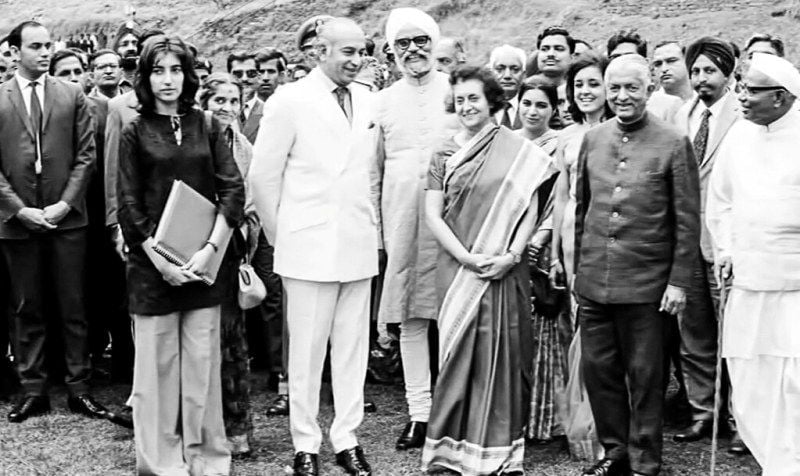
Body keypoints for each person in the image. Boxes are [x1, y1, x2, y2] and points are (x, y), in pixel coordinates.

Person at [249, 17, 378, 476]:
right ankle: (305, 442)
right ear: (318, 52)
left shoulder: (367, 99)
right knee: (305, 352)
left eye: (362, 51)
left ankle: (347, 438)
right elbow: (263, 177)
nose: (357, 60)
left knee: (351, 350)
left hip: (359, 242)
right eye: (348, 51)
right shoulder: (289, 100)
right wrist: (284, 238)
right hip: (306, 246)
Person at [117, 35, 244, 475]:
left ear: (188, 74)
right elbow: (128, 204)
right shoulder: (134, 130)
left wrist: (211, 251)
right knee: (157, 375)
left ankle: (207, 459)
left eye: (175, 70)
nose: (167, 80)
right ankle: (163, 464)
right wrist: (162, 262)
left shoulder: (207, 124)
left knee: (203, 372)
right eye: (158, 70)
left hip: (206, 266)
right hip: (153, 270)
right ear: (145, 77)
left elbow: (232, 189)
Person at [421, 65, 557, 475]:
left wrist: (512, 257)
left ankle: (497, 453)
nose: (466, 106)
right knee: (457, 354)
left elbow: (529, 207)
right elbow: (433, 214)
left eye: (474, 98)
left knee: (500, 353)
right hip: (458, 268)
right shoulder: (443, 153)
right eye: (459, 99)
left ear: (493, 101)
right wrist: (464, 257)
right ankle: (448, 451)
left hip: (504, 268)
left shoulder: (519, 153)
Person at [575, 54, 700, 476]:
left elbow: (687, 219)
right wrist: (579, 272)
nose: (622, 96)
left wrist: (679, 282)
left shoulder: (672, 142)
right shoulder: (593, 139)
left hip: (648, 283)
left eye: (632, 88)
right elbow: (584, 211)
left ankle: (645, 460)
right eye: (615, 89)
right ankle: (614, 453)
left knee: (646, 376)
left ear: (649, 90)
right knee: (600, 373)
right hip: (594, 282)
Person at [0, 21, 108, 423]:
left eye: (48, 46)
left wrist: (65, 204)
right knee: (27, 305)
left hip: (68, 220)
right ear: (14, 52)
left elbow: (87, 154)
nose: (44, 53)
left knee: (72, 304)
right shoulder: (1, 97)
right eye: (35, 46)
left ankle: (79, 387)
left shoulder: (71, 94)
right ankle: (33, 389)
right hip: (17, 221)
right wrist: (18, 208)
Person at [706, 52, 800, 476]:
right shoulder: (738, 137)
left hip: (795, 286)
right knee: (750, 377)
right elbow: (721, 203)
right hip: (746, 281)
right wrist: (725, 249)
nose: (740, 97)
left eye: (750, 90)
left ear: (780, 98)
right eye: (740, 87)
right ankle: (774, 460)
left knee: (794, 380)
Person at [372, 7, 457, 452]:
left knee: (451, 314)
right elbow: (374, 170)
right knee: (411, 317)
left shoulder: (456, 93)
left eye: (420, 40)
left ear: (435, 43)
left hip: (451, 222)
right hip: (402, 220)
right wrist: (378, 232)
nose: (413, 50)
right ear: (391, 51)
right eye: (403, 43)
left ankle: (452, 407)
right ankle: (419, 413)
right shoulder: (382, 101)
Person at [672, 37, 745, 452]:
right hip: (687, 243)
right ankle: (704, 412)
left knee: (733, 336)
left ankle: (740, 419)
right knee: (694, 334)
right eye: (696, 71)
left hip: (726, 244)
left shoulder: (743, 115)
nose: (701, 79)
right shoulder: (685, 114)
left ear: (728, 73)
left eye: (709, 71)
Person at [199, 72, 258, 457]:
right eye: (218, 100)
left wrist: (239, 227)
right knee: (198, 345)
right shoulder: (192, 142)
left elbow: (253, 202)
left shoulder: (245, 147)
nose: (226, 108)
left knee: (231, 345)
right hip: (194, 253)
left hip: (231, 253)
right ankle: (199, 429)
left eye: (233, 101)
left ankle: (237, 430)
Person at [514, 78, 567, 443]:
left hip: (545, 246)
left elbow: (560, 197)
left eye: (541, 105)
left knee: (545, 328)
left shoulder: (559, 145)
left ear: (553, 110)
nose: (533, 111)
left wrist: (542, 235)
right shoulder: (505, 142)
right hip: (509, 244)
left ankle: (544, 418)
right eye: (527, 103)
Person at [226, 52, 261, 144]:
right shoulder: (218, 110)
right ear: (229, 76)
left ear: (259, 76)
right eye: (238, 74)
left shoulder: (270, 111)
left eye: (251, 73)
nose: (244, 79)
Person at [489, 44, 526, 129]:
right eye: (499, 69)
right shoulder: (483, 107)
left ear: (524, 75)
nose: (507, 76)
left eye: (515, 69)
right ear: (491, 73)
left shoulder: (530, 107)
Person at [111, 21, 141, 92]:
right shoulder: (111, 81)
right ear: (116, 49)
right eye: (124, 44)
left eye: (135, 43)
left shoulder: (151, 79)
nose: (131, 48)